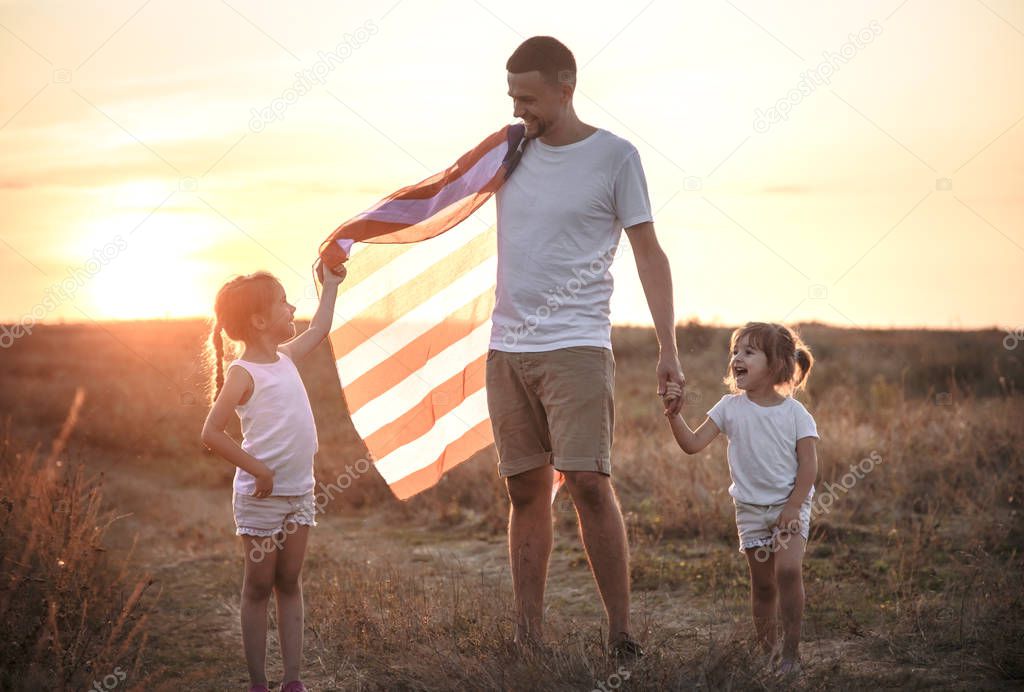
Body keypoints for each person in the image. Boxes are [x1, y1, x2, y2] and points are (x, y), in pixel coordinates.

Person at [487, 35, 685, 658]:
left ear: (566, 87)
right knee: (525, 490)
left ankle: (620, 636)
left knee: (587, 482)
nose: (520, 109)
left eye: (530, 97)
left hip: (575, 343)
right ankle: (528, 636)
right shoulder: (505, 153)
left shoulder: (615, 157)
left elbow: (649, 253)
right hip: (506, 346)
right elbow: (436, 198)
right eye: (513, 96)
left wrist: (669, 348)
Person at [201, 263, 346, 692]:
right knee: (259, 585)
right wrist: (258, 468)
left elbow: (320, 328)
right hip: (261, 498)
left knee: (289, 581)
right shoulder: (243, 374)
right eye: (284, 302)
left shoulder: (285, 357)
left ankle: (292, 680)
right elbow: (210, 432)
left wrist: (331, 285)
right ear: (259, 321)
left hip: (299, 493)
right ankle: (258, 684)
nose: (292, 308)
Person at [661, 322, 817, 675]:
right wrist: (675, 415)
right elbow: (692, 444)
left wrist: (793, 506)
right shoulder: (729, 407)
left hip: (788, 507)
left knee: (788, 571)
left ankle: (792, 653)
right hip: (749, 511)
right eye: (735, 352)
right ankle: (769, 655)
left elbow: (809, 466)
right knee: (763, 586)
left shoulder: (795, 413)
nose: (737, 358)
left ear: (776, 363)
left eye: (748, 351)